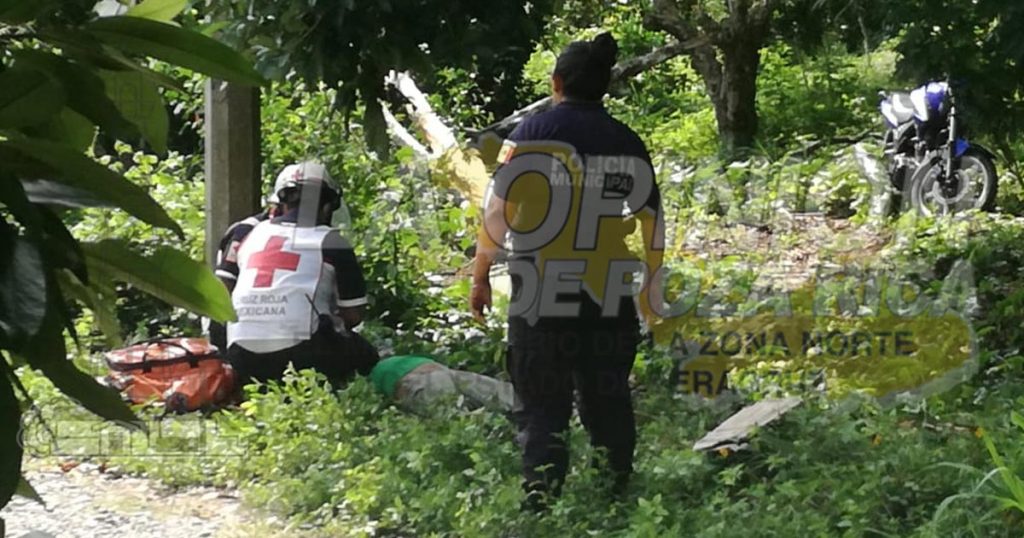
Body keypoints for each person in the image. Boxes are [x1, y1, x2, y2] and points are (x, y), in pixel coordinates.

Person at [469, 32, 664, 509]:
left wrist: (480, 276)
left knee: (541, 405)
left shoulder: (529, 136)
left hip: (540, 291)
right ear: (604, 85)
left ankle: (541, 502)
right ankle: (615, 494)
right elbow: (651, 221)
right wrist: (652, 289)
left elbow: (497, 214)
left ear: (556, 82)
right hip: (607, 289)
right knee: (608, 396)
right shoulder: (626, 141)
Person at [220, 161, 379, 385]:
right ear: (327, 207)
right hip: (301, 357)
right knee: (365, 354)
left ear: (281, 203)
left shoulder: (247, 233)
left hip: (240, 355)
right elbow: (353, 315)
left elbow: (222, 291)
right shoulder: (331, 241)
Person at [369, 355, 519, 416]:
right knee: (507, 395)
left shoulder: (374, 377)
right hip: (444, 372)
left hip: (418, 382)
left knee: (456, 420)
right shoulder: (401, 359)